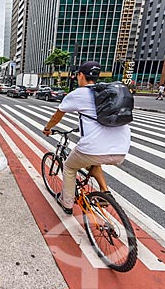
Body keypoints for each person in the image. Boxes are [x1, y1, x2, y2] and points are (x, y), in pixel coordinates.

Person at [42, 61, 131, 215]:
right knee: (93, 161)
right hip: (121, 149)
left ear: (81, 75)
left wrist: (47, 128)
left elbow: (57, 115)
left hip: (93, 148)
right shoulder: (107, 91)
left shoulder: (79, 93)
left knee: (70, 167)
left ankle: (67, 204)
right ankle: (105, 191)